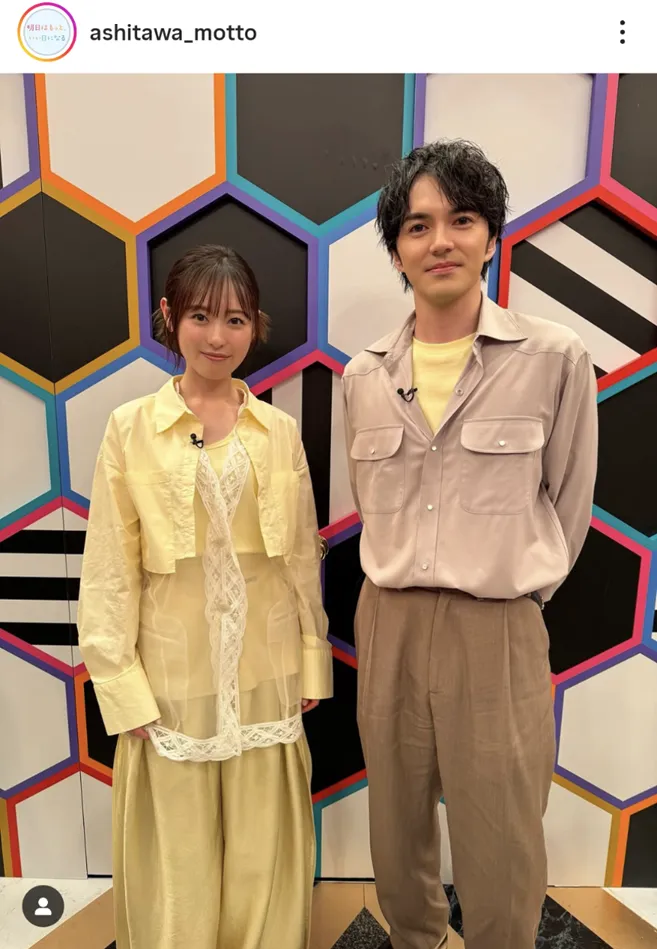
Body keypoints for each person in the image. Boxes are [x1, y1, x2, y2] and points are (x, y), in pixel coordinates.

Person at [342, 140, 598, 949]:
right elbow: (370, 504)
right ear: (396, 251)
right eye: (417, 226)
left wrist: (517, 591)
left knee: (502, 830)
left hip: (496, 625)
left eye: (460, 219)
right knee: (394, 822)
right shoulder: (362, 375)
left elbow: (569, 500)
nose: (439, 241)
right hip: (388, 619)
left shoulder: (553, 357)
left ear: (491, 236)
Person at [77, 244, 333, 949]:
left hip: (265, 673)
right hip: (171, 682)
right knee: (179, 864)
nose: (217, 337)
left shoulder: (278, 433)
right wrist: (120, 685)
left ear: (255, 326)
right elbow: (109, 568)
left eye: (235, 320)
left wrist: (311, 660)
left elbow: (301, 555)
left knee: (261, 857)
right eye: (200, 316)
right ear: (169, 316)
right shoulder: (130, 428)